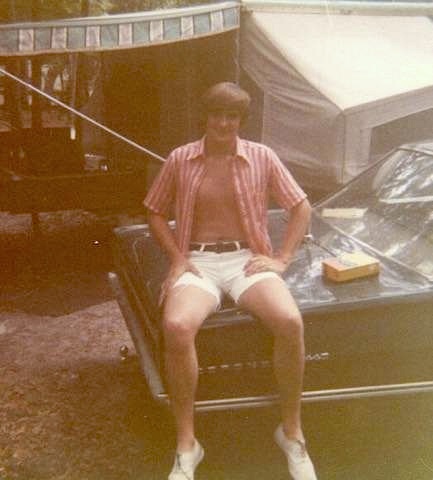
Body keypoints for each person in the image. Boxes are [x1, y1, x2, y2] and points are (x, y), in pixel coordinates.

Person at [143, 82, 318, 480]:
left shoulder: (262, 156)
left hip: (246, 261)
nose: (223, 123)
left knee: (290, 321)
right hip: (198, 262)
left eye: (232, 116)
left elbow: (301, 206)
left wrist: (282, 259)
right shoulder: (180, 158)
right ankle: (187, 445)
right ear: (204, 116)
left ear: (241, 120)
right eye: (216, 115)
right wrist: (177, 259)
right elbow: (154, 211)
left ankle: (292, 432)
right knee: (176, 325)